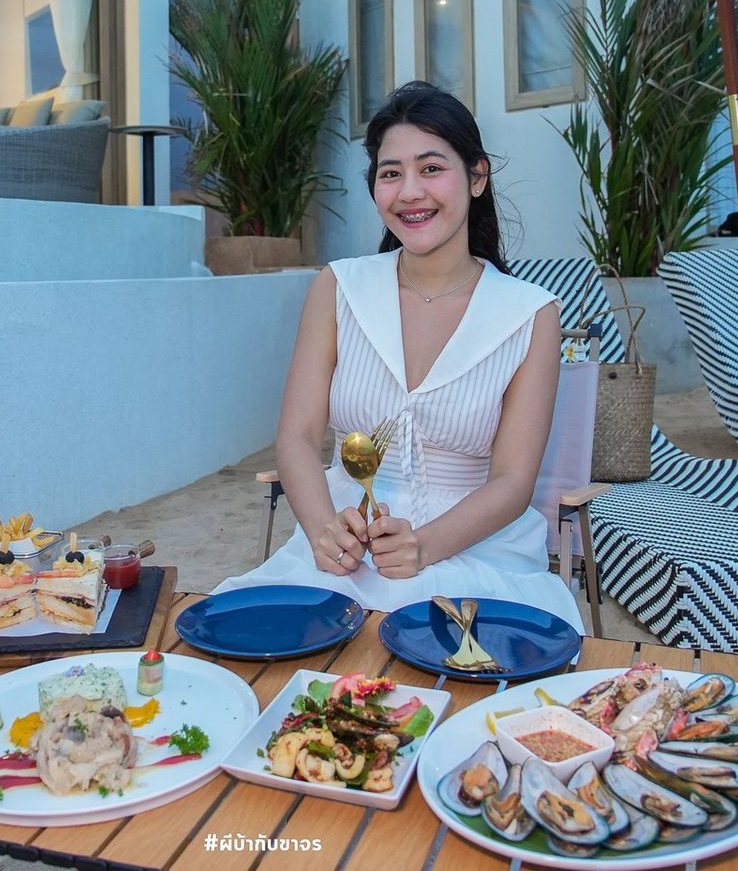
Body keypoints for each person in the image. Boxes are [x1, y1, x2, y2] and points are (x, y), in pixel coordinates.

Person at [214, 81, 580, 630]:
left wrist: (424, 547)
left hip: (473, 550)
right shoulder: (338, 288)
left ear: (477, 177)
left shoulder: (530, 314)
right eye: (391, 173)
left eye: (431, 168)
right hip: (341, 546)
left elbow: (512, 480)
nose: (410, 191)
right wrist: (321, 530)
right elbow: (297, 435)